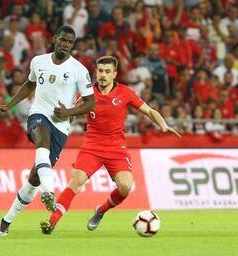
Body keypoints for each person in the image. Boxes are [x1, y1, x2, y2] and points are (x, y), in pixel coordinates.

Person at [40, 56, 181, 234]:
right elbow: (72, 114)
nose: (103, 75)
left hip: (116, 148)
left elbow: (150, 111)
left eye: (107, 72)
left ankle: (101, 210)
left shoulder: (126, 92)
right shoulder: (86, 93)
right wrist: (65, 114)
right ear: (96, 72)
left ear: (114, 74)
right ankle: (51, 222)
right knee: (76, 181)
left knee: (125, 187)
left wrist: (163, 125)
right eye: (100, 71)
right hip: (92, 145)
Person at [0, 25, 95, 236]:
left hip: (61, 125)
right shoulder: (38, 61)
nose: (65, 44)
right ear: (55, 39)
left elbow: (90, 102)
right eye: (63, 40)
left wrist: (68, 112)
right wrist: (9, 105)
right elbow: (29, 85)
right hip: (38, 114)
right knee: (41, 140)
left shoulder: (79, 70)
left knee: (33, 179)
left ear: (72, 45)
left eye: (70, 42)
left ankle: (6, 220)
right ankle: (49, 191)